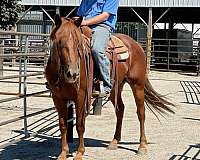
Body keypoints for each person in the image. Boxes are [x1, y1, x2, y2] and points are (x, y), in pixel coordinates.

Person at [77, 0, 119, 96]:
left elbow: (105, 16)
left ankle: (106, 84)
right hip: (84, 25)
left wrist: (85, 22)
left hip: (102, 26)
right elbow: (80, 15)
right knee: (64, 40)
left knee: (97, 49)